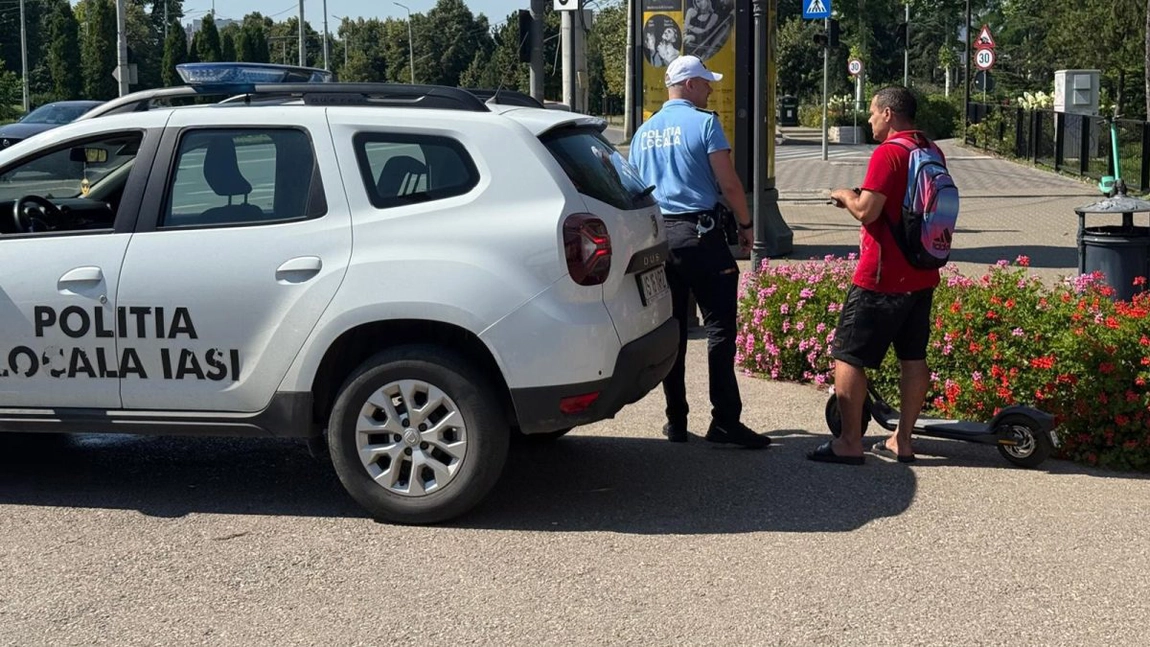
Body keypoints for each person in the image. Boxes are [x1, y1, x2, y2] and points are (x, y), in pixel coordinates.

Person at [628, 55, 770, 449]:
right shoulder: (705, 123)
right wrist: (746, 226)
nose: (710, 88)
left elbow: (635, 189)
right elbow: (730, 185)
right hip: (701, 237)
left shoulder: (643, 133)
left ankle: (676, 421)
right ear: (688, 84)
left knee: (674, 332)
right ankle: (725, 421)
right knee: (721, 329)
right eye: (705, 82)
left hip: (660, 241)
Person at [809, 86, 943, 465]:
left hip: (882, 276)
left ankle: (849, 442)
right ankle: (902, 440)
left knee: (849, 355)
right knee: (912, 357)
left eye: (872, 112)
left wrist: (845, 196)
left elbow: (868, 211)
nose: (869, 119)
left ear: (888, 113)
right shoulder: (931, 150)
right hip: (921, 273)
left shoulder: (889, 153)